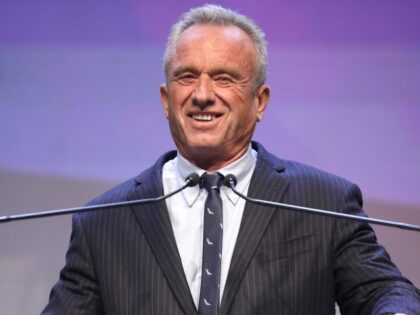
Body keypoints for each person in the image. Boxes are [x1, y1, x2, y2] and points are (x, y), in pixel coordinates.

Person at [42, 4, 420, 315]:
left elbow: (381, 290)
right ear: (165, 99)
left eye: (224, 78)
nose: (202, 94)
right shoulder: (103, 221)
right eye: (187, 76)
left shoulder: (325, 201)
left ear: (260, 102)